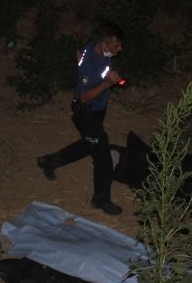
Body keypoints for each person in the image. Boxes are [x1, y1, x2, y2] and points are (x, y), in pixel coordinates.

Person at [36, 21, 125, 215]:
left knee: (88, 144)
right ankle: (100, 200)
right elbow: (82, 97)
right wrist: (107, 84)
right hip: (87, 114)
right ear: (104, 44)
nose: (120, 49)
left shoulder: (96, 48)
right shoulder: (88, 66)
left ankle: (49, 161)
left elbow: (80, 51)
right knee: (102, 154)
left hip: (98, 110)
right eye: (116, 45)